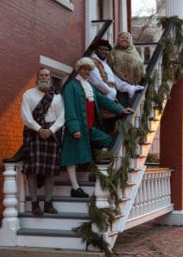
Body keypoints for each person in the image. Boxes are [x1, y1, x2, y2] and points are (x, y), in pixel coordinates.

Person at [60, 57, 134, 198]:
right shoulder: (71, 86)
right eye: (84, 69)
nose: (87, 71)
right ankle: (75, 187)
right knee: (71, 157)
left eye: (89, 69)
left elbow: (103, 100)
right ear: (79, 69)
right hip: (76, 128)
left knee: (107, 141)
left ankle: (98, 171)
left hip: (90, 127)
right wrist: (74, 128)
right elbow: (69, 108)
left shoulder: (90, 86)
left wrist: (121, 109)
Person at [21, 67, 65, 216]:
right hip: (34, 133)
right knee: (32, 170)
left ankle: (48, 202)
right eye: (42, 75)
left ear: (50, 78)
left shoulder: (57, 97)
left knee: (50, 171)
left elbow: (62, 117)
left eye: (47, 75)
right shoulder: (28, 94)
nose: (44, 77)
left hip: (52, 133)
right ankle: (34, 204)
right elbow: (26, 116)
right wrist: (40, 129)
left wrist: (51, 130)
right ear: (37, 77)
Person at [88, 39, 143, 132]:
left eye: (106, 50)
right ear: (95, 50)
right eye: (102, 49)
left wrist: (131, 88)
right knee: (104, 126)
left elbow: (117, 82)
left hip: (111, 101)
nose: (105, 52)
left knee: (115, 124)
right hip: (102, 101)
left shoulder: (105, 65)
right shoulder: (91, 63)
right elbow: (97, 82)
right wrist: (110, 92)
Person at [107, 31, 145, 106]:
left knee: (135, 106)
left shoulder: (134, 51)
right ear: (118, 40)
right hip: (121, 88)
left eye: (127, 38)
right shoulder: (113, 53)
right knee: (125, 109)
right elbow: (109, 69)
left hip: (136, 85)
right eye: (122, 37)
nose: (125, 39)